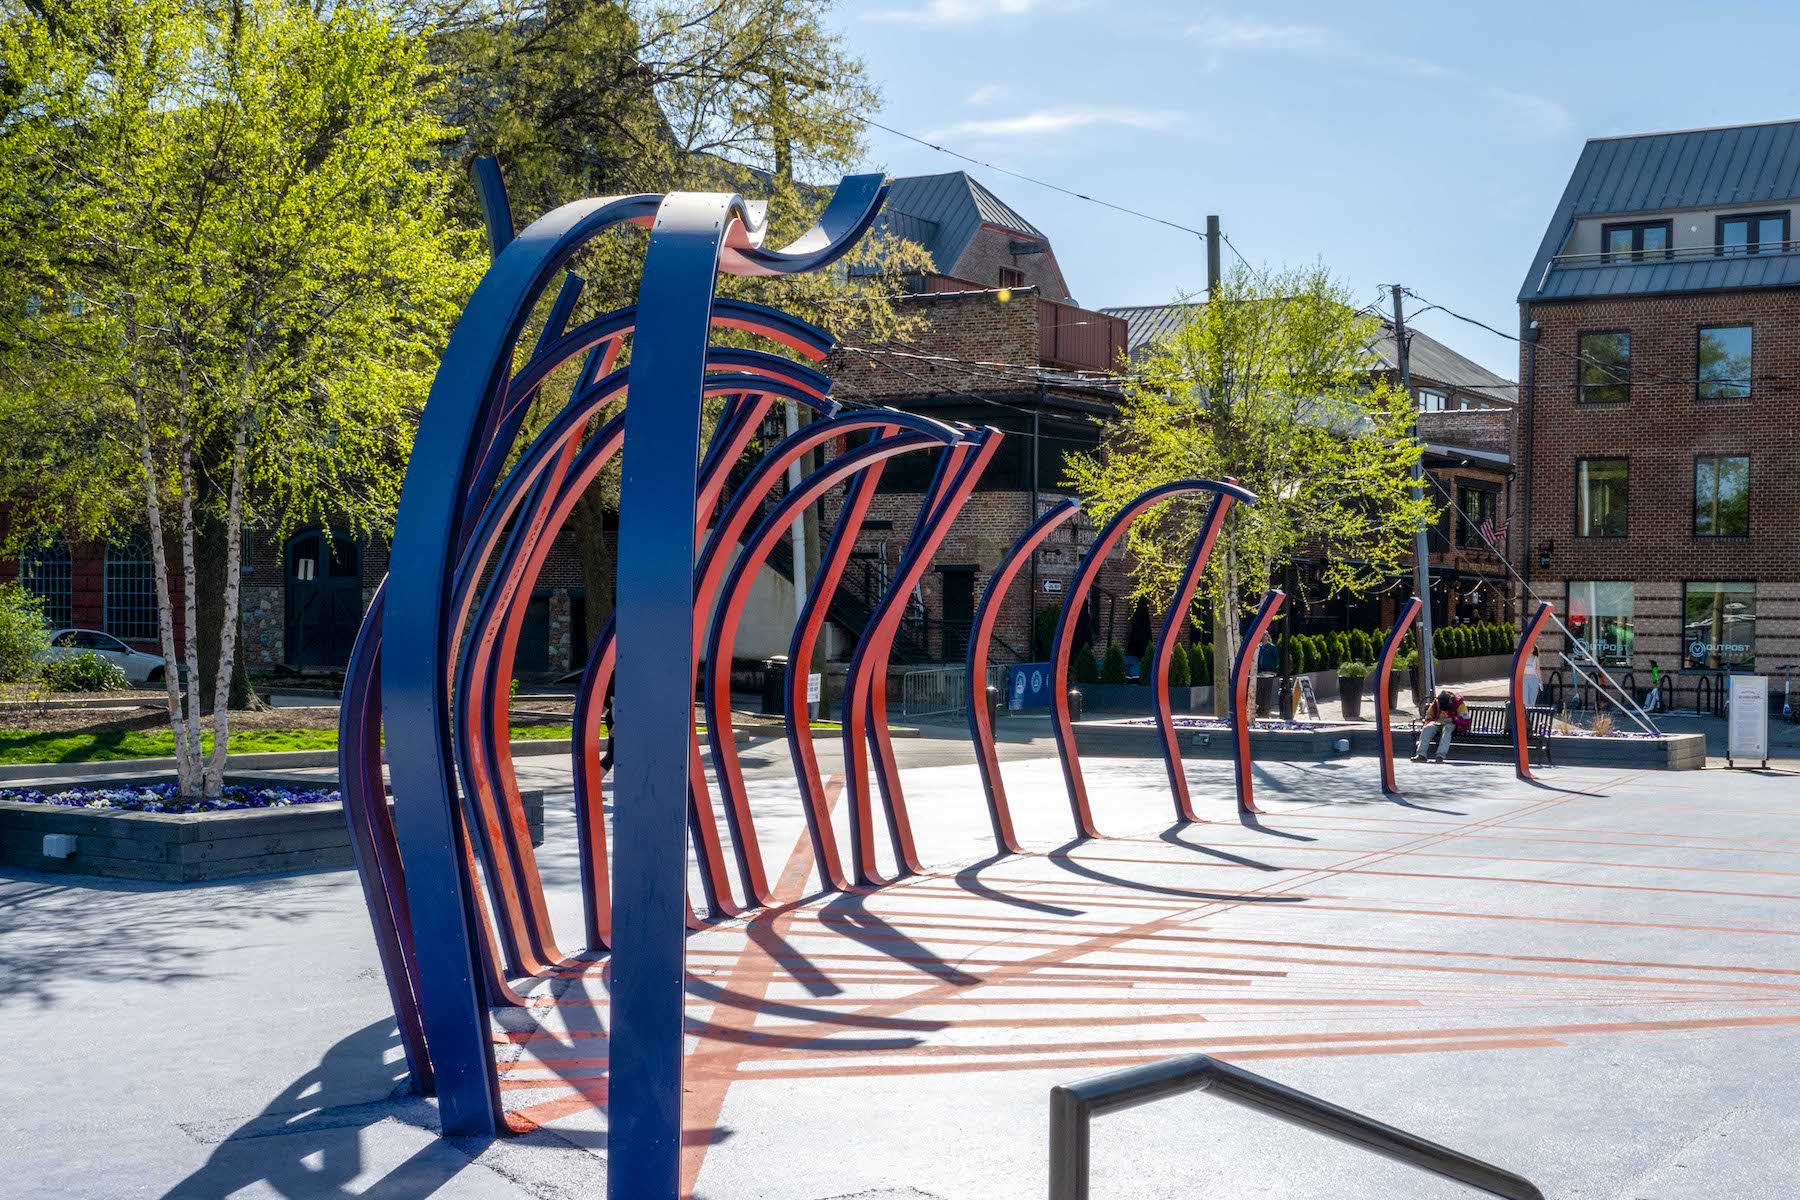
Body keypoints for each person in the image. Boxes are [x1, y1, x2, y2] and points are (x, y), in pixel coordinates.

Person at [1413, 688, 1469, 763]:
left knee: (1447, 729)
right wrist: (1431, 721)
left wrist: (1452, 719)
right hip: (1437, 722)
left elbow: (1465, 718)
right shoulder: (1436, 702)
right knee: (1427, 728)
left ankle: (1440, 756)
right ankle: (1421, 755)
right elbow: (1429, 715)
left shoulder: (1459, 703)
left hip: (1452, 723)